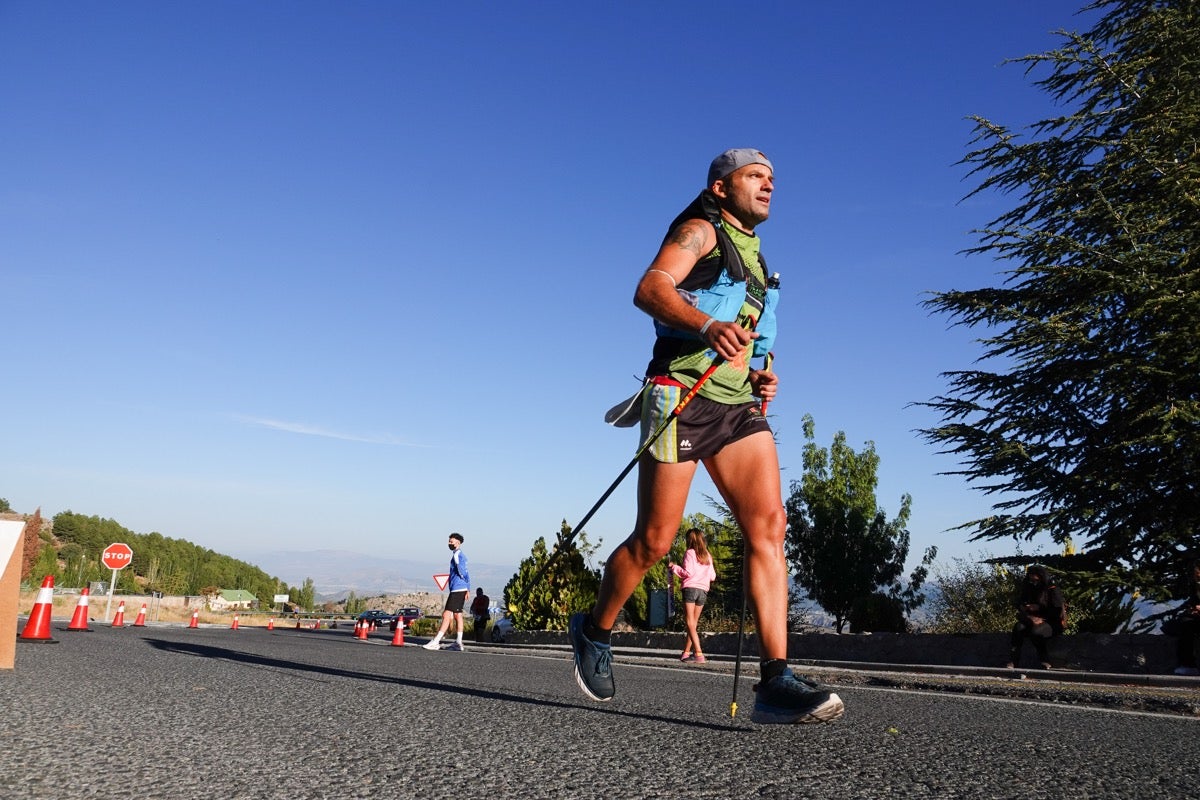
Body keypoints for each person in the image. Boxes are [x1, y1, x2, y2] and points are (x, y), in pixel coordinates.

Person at [568, 148, 844, 725]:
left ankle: (776, 680)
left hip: (737, 406)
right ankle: (595, 631)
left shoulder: (763, 265)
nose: (769, 185)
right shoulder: (700, 231)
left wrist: (767, 370)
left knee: (769, 529)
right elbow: (650, 289)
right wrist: (706, 324)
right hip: (681, 395)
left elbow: (759, 337)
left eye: (773, 178)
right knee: (655, 542)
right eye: (755, 176)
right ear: (721, 187)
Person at [669, 528, 717, 663]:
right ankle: (686, 653)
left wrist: (674, 567)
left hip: (690, 589)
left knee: (689, 622)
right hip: (703, 591)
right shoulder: (707, 555)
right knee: (693, 624)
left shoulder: (690, 553)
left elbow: (688, 572)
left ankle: (699, 653)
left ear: (689, 540)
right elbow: (713, 576)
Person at [1006, 565, 1066, 670]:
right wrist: (1025, 607)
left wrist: (1039, 608)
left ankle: (1044, 660)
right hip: (1031, 619)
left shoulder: (1052, 589)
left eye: (1034, 576)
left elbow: (1057, 611)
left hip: (1051, 622)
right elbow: (1019, 602)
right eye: (1030, 576)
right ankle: (1013, 660)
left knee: (1036, 632)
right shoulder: (1029, 587)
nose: (1032, 579)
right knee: (1018, 628)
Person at [423, 533, 470, 651]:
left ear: (458, 542)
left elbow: (463, 571)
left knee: (446, 615)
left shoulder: (457, 555)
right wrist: (467, 587)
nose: (449, 543)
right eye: (449, 541)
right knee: (458, 615)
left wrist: (462, 580)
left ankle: (436, 641)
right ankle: (458, 643)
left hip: (457, 589)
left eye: (451, 541)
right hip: (461, 588)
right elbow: (467, 573)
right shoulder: (461, 555)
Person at [1162, 558, 1200, 676]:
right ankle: (1187, 664)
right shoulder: (1195, 586)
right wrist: (1192, 609)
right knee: (1185, 624)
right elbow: (1193, 601)